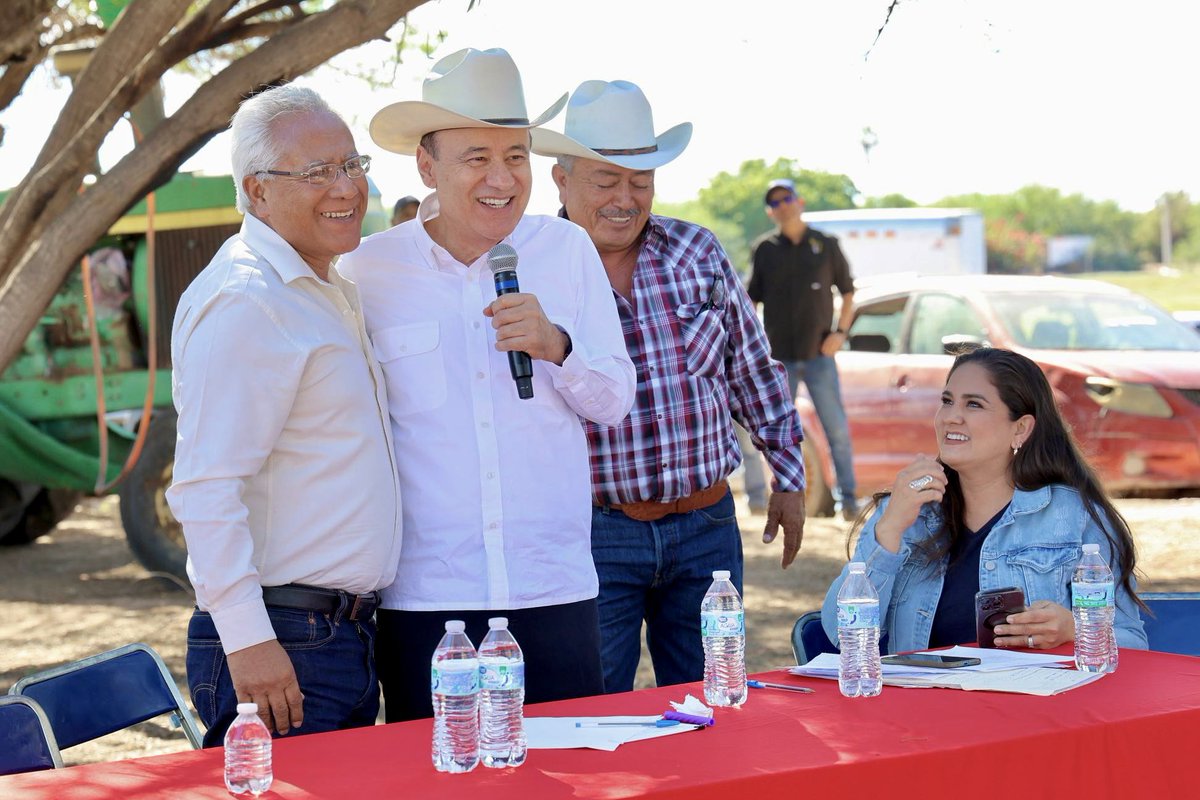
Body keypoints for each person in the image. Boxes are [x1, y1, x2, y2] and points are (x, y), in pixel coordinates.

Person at [338, 48, 635, 722]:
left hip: (552, 589)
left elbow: (615, 401)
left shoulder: (566, 252)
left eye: (516, 156)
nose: (502, 179)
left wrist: (558, 347)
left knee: (572, 780)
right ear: (426, 165)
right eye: (477, 158)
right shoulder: (367, 271)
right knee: (439, 781)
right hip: (425, 600)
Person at [532, 80, 808, 693]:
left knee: (716, 701)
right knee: (594, 709)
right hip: (593, 532)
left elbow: (753, 371)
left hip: (706, 526)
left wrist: (788, 477)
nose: (625, 198)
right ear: (561, 179)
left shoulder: (696, 251)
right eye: (606, 180)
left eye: (641, 181)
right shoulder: (529, 266)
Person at [167, 84, 401, 746]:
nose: (347, 188)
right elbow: (205, 488)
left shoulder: (322, 287)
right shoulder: (250, 301)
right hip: (283, 644)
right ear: (259, 190)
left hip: (336, 638)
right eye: (319, 172)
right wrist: (248, 642)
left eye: (353, 165)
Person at [821, 347, 1147, 652]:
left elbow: (1132, 640)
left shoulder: (1076, 515)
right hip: (921, 707)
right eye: (947, 401)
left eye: (973, 404)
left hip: (1034, 708)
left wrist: (1073, 630)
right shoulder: (904, 512)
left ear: (1020, 429)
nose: (951, 417)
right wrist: (890, 529)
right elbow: (839, 635)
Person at [747, 179, 859, 520]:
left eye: (787, 198)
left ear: (800, 201)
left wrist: (840, 333)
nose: (782, 206)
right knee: (776, 430)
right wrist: (753, 345)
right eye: (775, 202)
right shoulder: (765, 249)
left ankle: (848, 501)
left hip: (819, 356)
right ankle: (779, 496)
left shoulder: (825, 244)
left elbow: (849, 294)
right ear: (770, 211)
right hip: (779, 357)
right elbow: (750, 301)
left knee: (835, 428)